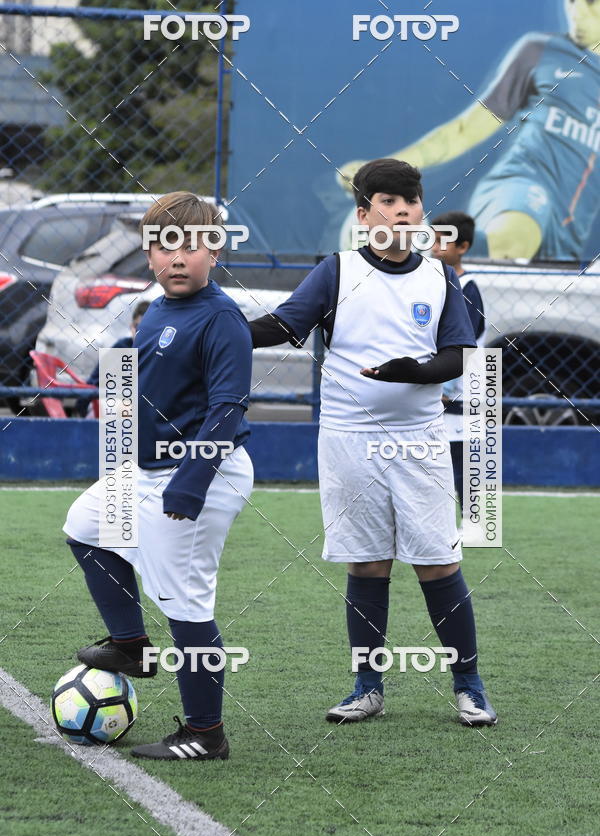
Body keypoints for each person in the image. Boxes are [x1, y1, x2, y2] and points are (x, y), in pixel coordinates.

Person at [250, 159, 497, 726]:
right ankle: (367, 686)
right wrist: (218, 325)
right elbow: (286, 326)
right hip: (348, 439)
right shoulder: (335, 271)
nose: (405, 210)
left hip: (420, 439)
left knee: (437, 561)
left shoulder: (441, 277)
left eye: (412, 201)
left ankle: (469, 684)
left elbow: (459, 354)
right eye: (390, 201)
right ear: (364, 216)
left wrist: (416, 370)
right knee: (367, 564)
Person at [63, 191, 254, 760]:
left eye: (192, 246)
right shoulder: (160, 310)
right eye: (164, 246)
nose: (177, 258)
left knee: (186, 603)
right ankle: (131, 646)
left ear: (215, 252)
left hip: (201, 475)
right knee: (85, 526)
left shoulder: (221, 318)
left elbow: (227, 408)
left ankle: (204, 734)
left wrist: (191, 480)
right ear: (149, 255)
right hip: (148, 472)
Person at [338, 0, 600, 261]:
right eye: (571, 2)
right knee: (513, 244)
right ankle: (412, 243)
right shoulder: (542, 51)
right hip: (522, 183)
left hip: (571, 230)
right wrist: (380, 173)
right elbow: (463, 131)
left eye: (589, 3)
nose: (576, 12)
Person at [431, 212, 486, 511]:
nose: (435, 247)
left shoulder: (468, 287)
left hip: (460, 394)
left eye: (443, 241)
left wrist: (447, 390)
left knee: (464, 469)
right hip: (436, 392)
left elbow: (465, 345)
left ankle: (468, 537)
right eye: (432, 239)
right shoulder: (427, 284)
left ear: (462, 247)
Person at [76, 300, 151, 417]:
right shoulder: (122, 348)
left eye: (146, 329)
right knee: (128, 408)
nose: (140, 333)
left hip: (127, 404)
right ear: (132, 327)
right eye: (137, 327)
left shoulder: (155, 351)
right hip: (99, 400)